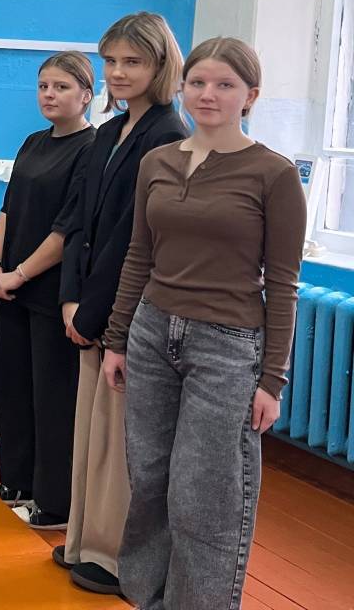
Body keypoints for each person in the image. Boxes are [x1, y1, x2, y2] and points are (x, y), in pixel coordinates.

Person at [103, 38, 304, 609]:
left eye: (224, 85)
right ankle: (147, 598)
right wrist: (117, 338)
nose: (208, 95)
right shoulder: (157, 162)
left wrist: (272, 380)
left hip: (227, 346)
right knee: (149, 479)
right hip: (151, 333)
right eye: (198, 82)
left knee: (206, 492)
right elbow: (139, 255)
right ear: (182, 86)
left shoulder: (274, 174)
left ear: (250, 96)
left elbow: (282, 283)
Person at [55, 11, 187, 595]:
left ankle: (114, 557)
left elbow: (134, 237)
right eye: (110, 61)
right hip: (87, 300)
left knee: (119, 440)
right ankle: (84, 539)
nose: (117, 72)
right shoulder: (108, 133)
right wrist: (69, 295)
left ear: (161, 65)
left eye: (133, 61)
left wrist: (94, 311)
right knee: (90, 431)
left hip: (127, 308)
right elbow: (79, 222)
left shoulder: (168, 135)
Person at [0, 52, 96, 529]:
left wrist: (20, 274)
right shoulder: (33, 142)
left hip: (51, 292)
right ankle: (16, 483)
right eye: (43, 86)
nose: (49, 95)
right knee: (11, 386)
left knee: (52, 398)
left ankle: (54, 504)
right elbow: (8, 209)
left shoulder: (92, 149)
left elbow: (67, 229)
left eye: (61, 87)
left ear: (87, 95)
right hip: (12, 285)